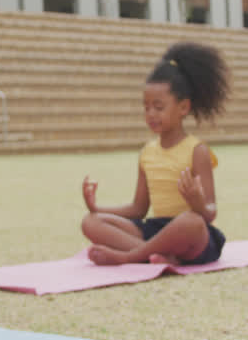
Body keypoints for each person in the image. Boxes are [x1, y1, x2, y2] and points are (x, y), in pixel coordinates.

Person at [81, 41, 231, 266]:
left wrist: (197, 202)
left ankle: (130, 256)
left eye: (159, 107)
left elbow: (209, 214)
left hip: (190, 234)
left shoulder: (197, 150)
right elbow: (138, 209)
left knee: (191, 221)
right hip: (155, 229)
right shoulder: (147, 153)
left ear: (183, 108)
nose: (151, 114)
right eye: (146, 107)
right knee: (90, 222)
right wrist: (97, 208)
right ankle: (158, 255)